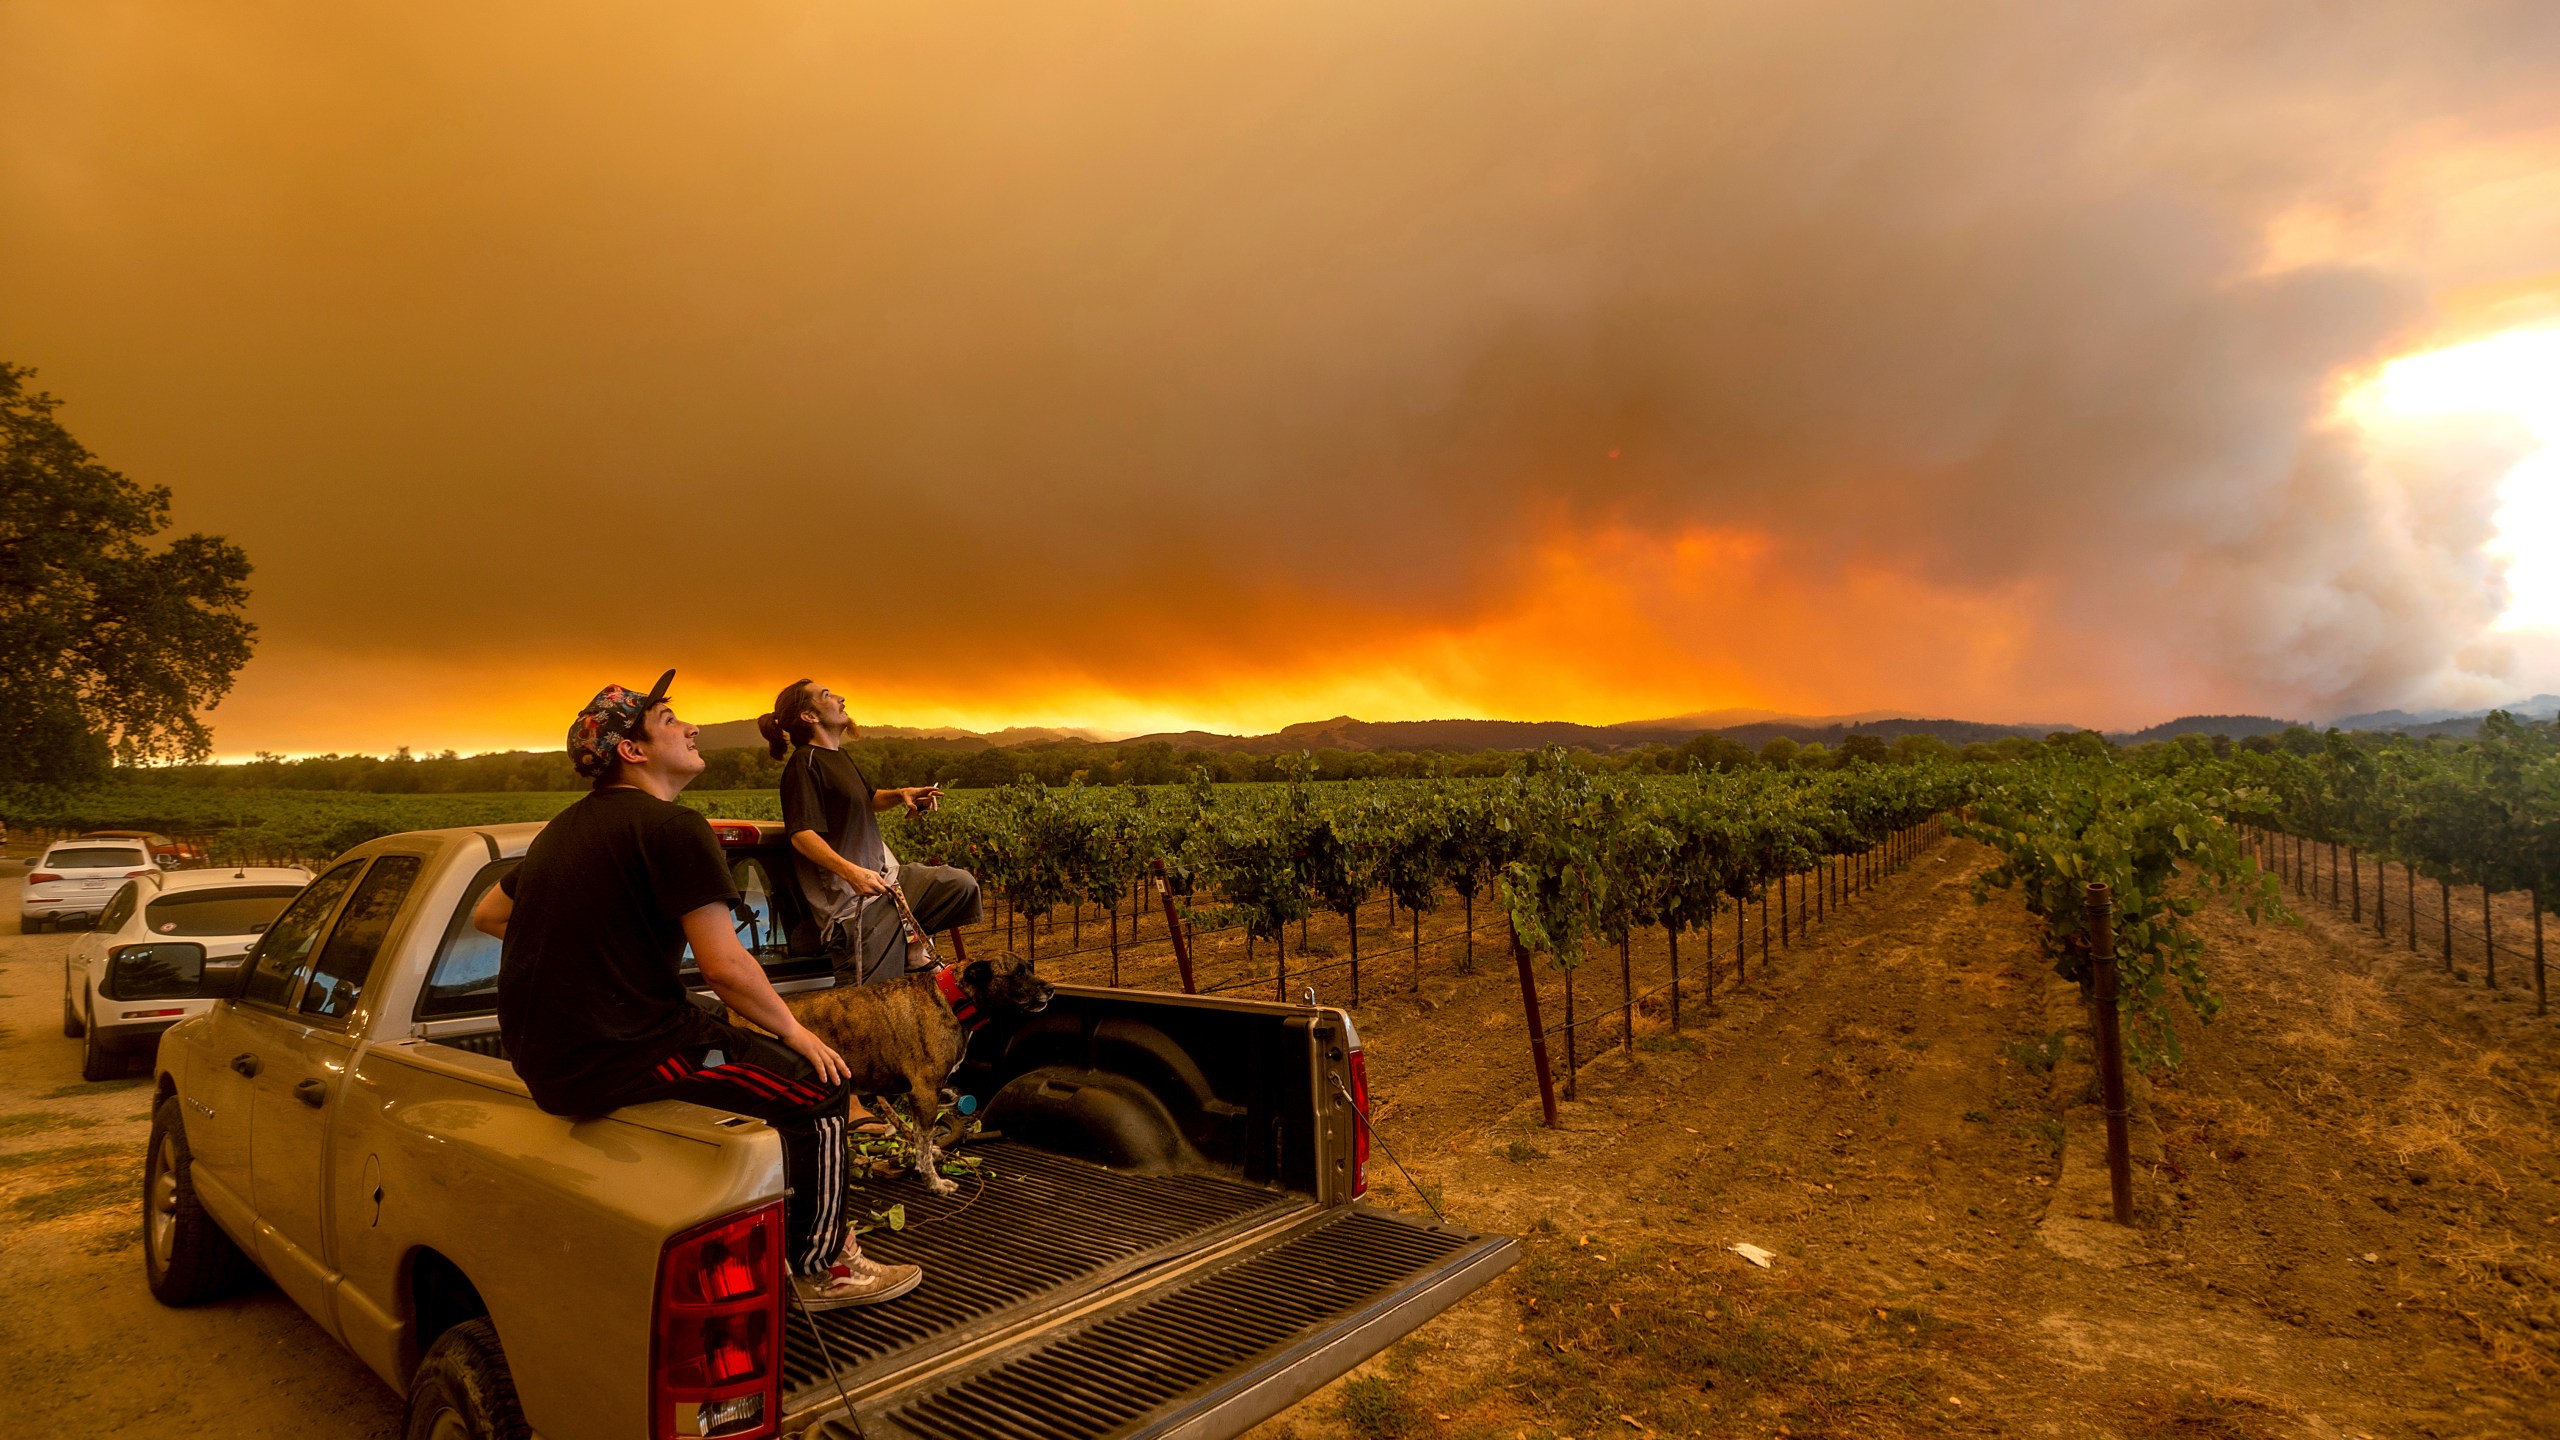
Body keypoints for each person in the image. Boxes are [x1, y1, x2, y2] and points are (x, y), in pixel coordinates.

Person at [471, 670, 921, 1309]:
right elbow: (725, 967)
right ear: (634, 751)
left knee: (714, 1025)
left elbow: (488, 915)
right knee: (822, 1086)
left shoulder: (562, 830)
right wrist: (798, 1033)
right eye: (671, 721)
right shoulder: (674, 827)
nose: (692, 728)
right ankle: (824, 1268)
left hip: (548, 1061)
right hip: (624, 1054)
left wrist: (597, 950)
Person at [758, 679, 983, 988]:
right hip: (855, 908)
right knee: (873, 1005)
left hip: (888, 885)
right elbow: (802, 834)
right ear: (809, 716)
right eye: (827, 695)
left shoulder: (839, 757)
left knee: (960, 885)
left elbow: (866, 797)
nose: (841, 698)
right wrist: (852, 873)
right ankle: (906, 949)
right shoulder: (804, 765)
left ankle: (910, 947)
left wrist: (902, 794)